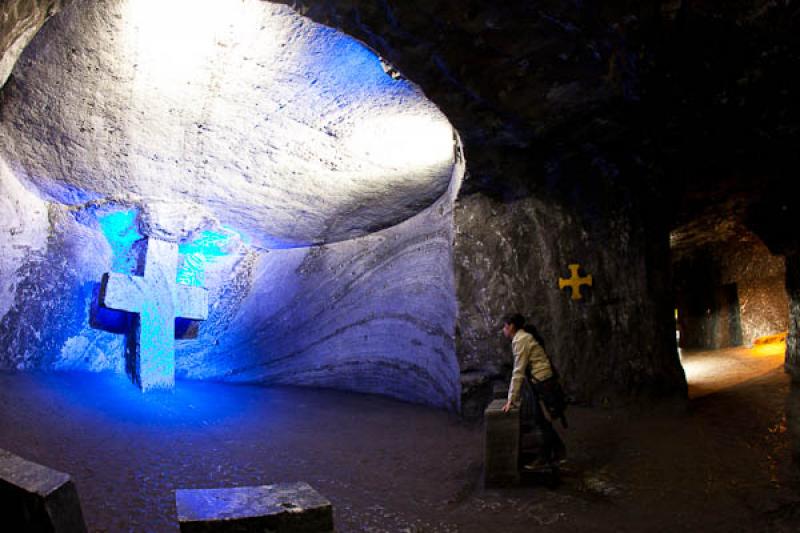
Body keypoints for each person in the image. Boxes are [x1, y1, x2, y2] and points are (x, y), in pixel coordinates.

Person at [501, 313, 566, 468]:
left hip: (542, 382)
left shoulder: (520, 339)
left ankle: (547, 456)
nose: (503, 330)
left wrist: (511, 399)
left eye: (504, 326)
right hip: (544, 380)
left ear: (511, 326)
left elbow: (518, 371)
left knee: (541, 420)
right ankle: (558, 452)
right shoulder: (523, 337)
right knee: (542, 420)